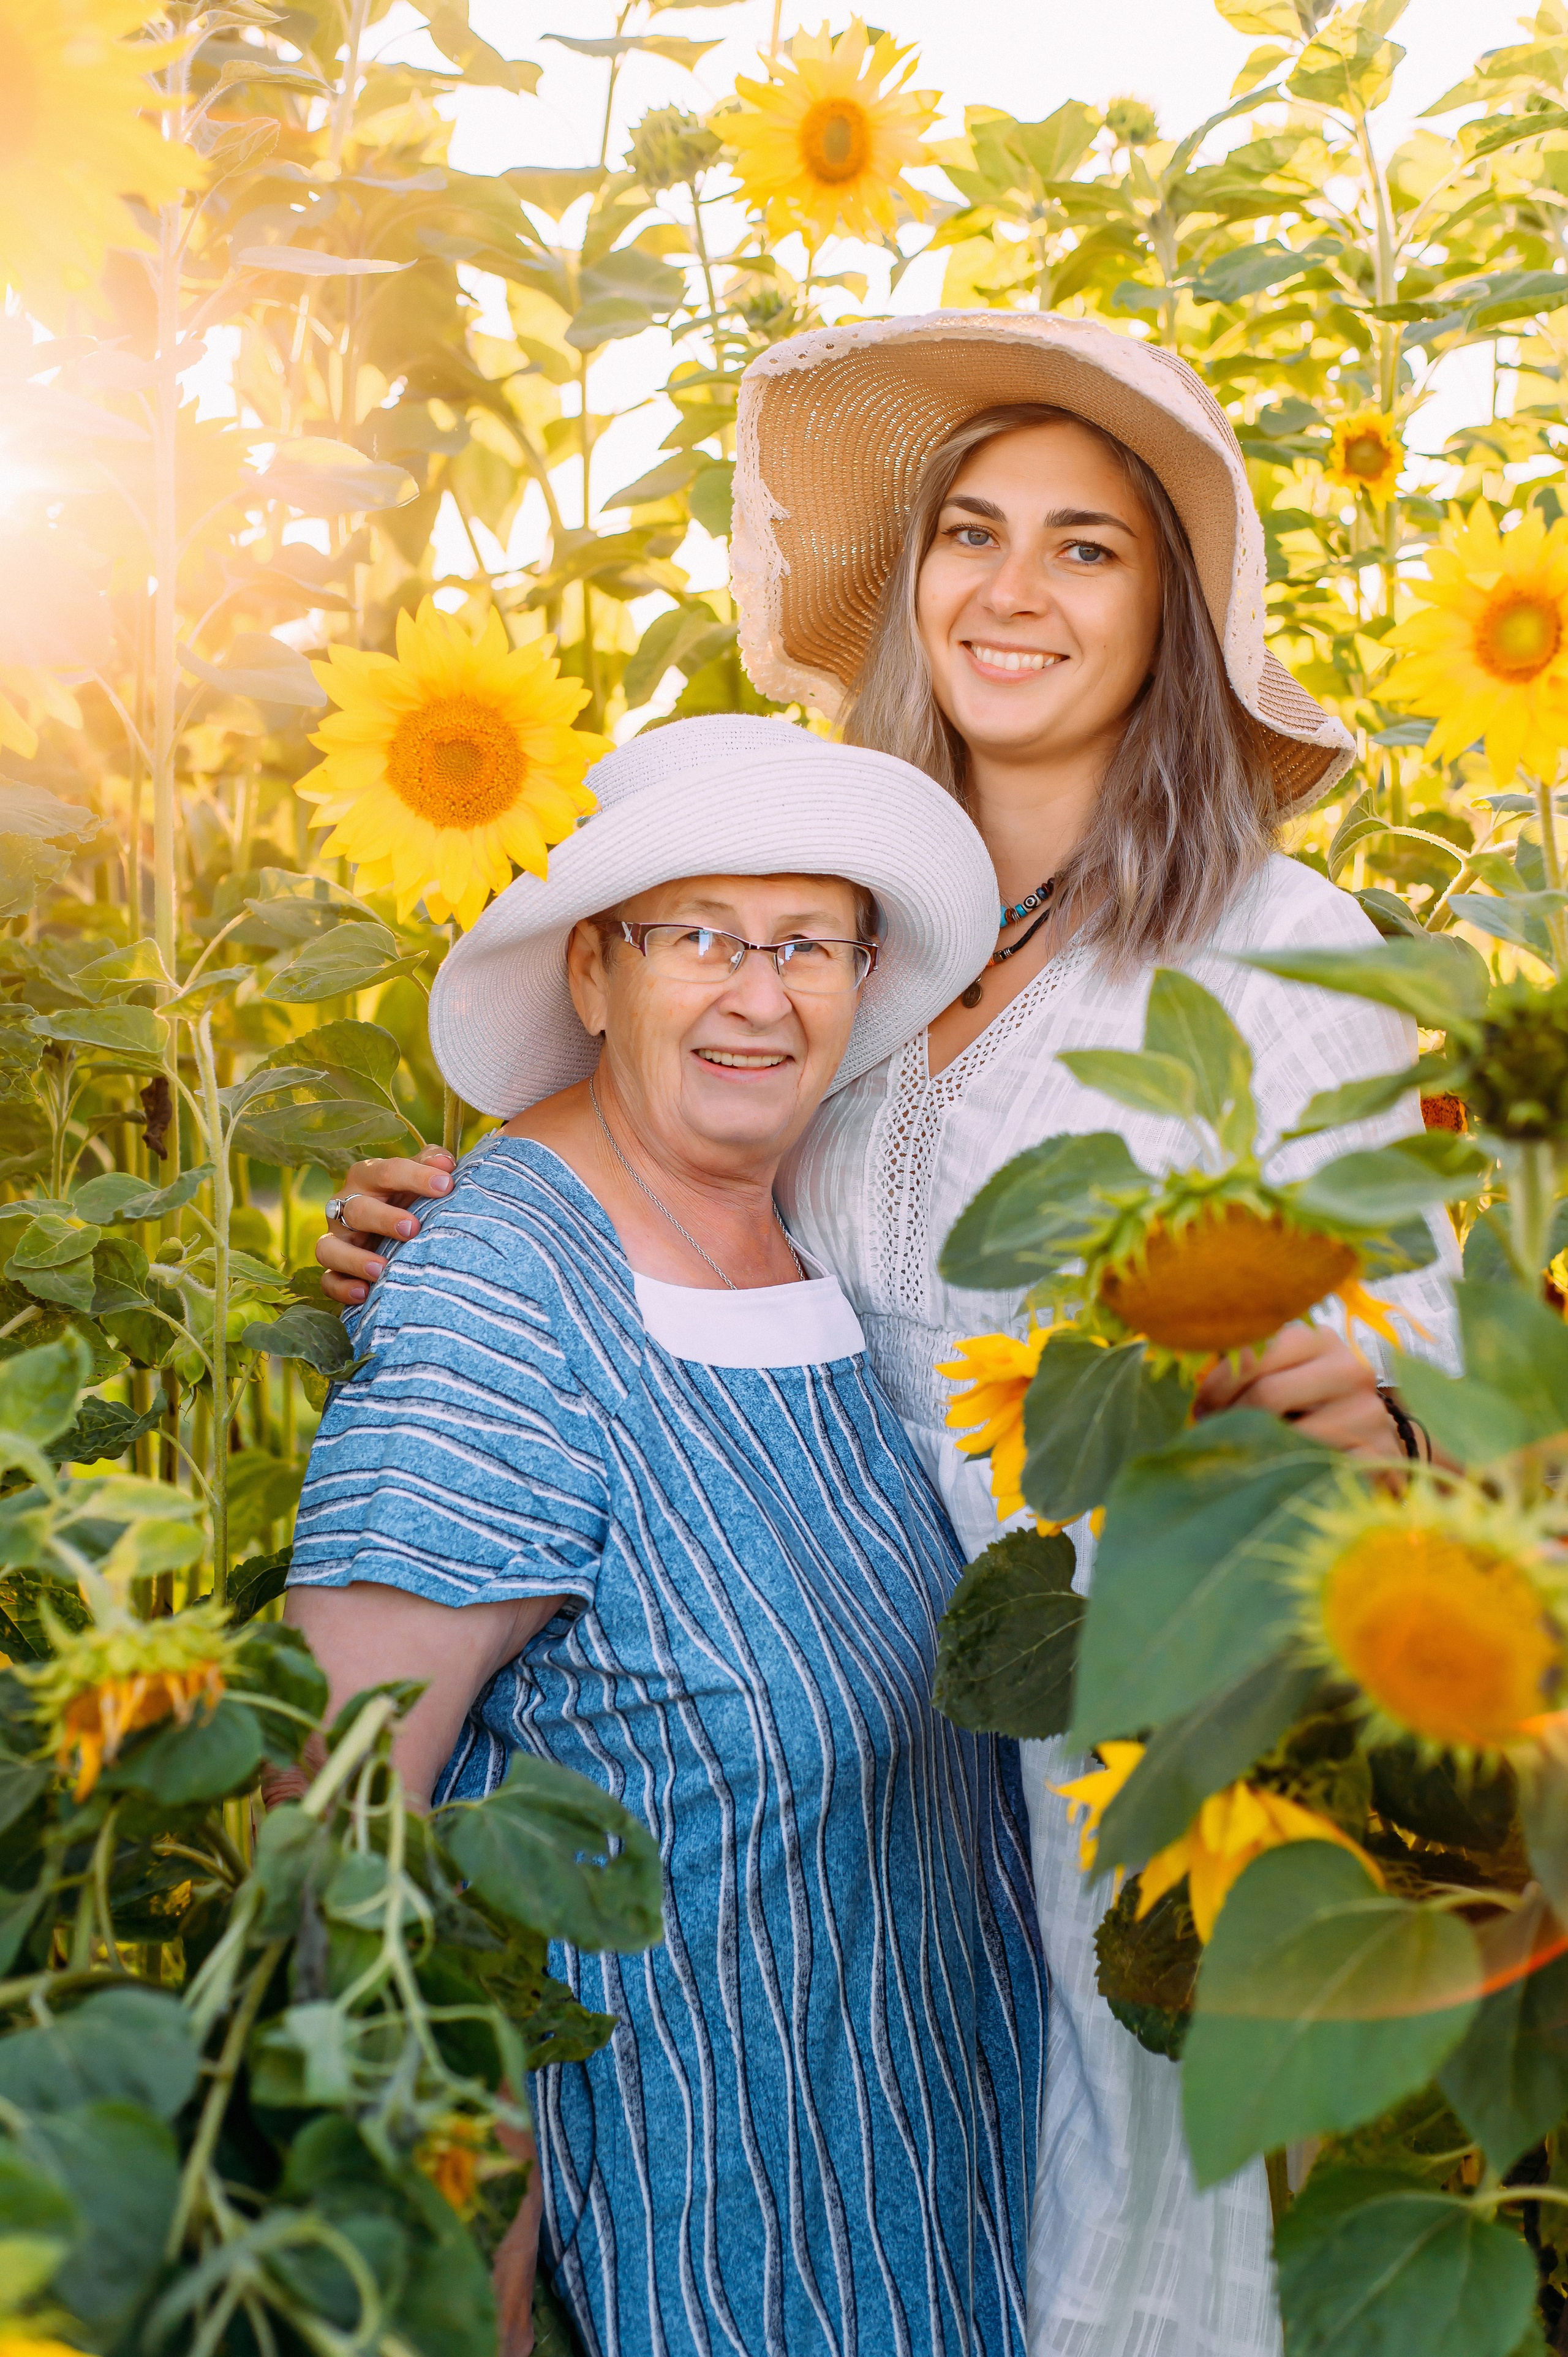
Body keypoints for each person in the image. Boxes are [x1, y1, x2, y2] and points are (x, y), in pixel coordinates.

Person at [318, 314, 1453, 2357]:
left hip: (1123, 1764)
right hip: (808, 1792)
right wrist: (469, 1207)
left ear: (1175, 614)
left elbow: (1434, 1398)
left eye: (1088, 547)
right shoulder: (838, 913)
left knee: (1124, 2270)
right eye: (972, 533)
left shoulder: (1279, 954)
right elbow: (672, 1171)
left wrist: (1362, 1414)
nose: (1012, 591)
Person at [287, 716, 1046, 2357]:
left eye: (809, 945)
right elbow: (333, 1811)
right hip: (701, 2263)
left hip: (921, 2222)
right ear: (590, 973)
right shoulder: (504, 1296)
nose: (759, 995)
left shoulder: (806, 1243)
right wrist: (453, 2242)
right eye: (697, 935)